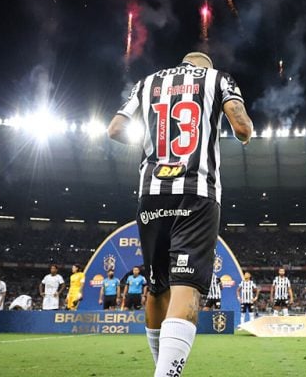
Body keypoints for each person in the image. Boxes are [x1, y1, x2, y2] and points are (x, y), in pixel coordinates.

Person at [108, 51, 253, 376]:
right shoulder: (218, 79)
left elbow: (115, 129)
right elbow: (242, 127)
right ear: (206, 66)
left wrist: (156, 147)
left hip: (151, 194)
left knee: (157, 288)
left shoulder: (147, 83)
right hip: (195, 193)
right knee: (185, 288)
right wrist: (245, 130)